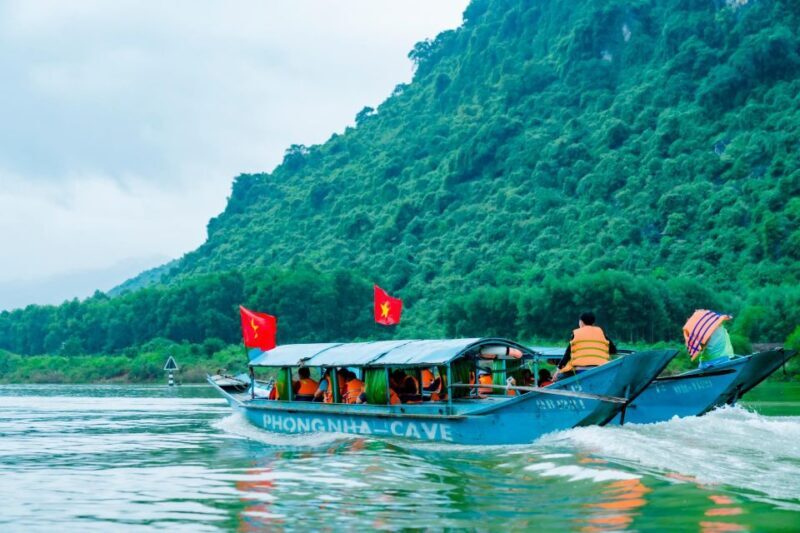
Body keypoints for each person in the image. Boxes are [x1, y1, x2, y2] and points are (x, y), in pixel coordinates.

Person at [556, 311, 617, 380]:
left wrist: (558, 369)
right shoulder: (601, 333)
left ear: (581, 322)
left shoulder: (576, 333)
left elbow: (567, 355)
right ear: (593, 323)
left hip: (580, 369)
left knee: (559, 378)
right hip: (600, 369)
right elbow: (613, 350)